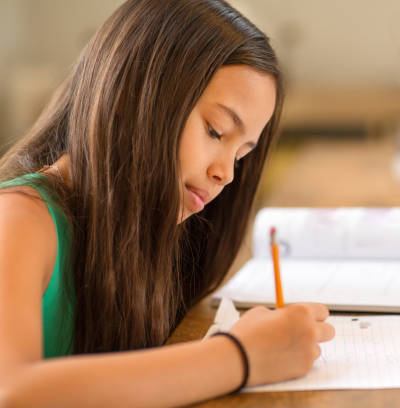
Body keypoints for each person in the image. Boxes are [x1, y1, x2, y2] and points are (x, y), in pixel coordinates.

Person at [0, 0, 335, 406]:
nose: (226, 174)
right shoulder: (19, 217)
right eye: (216, 131)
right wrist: (240, 356)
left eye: (242, 154)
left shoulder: (147, 230)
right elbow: (12, 391)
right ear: (134, 95)